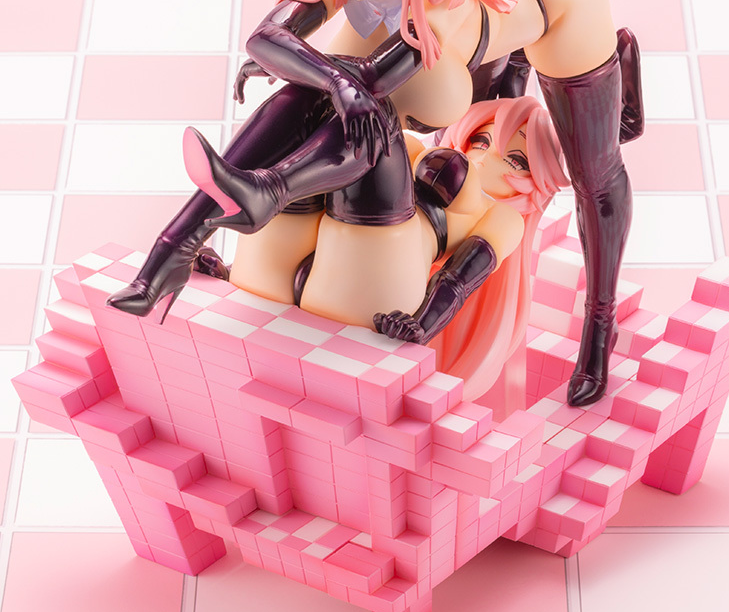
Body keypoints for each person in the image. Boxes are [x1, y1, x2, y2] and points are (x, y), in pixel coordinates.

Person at [108, 0, 642, 408]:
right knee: (306, 93)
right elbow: (265, 37)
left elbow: (363, 81)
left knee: (595, 174)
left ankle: (600, 328)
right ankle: (177, 244)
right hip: (420, 99)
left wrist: (311, 66)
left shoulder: (437, 7)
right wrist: (314, 73)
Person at [186, 96, 568, 404]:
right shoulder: (415, 149)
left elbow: (459, 280)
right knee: (321, 121)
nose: (485, 157)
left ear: (538, 181)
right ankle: (257, 189)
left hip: (379, 275)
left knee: (374, 126)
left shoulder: (502, 218)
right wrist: (229, 273)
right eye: (482, 140)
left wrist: (422, 327)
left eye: (515, 160)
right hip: (293, 273)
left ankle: (260, 190)